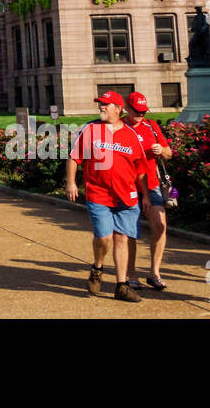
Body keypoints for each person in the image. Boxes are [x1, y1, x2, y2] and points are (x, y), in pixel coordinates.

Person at [65, 91, 151, 302]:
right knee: (104, 237)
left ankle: (121, 285)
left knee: (122, 238)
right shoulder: (91, 131)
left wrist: (146, 196)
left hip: (126, 196)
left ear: (118, 109)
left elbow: (141, 169)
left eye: (106, 104)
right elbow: (74, 158)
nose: (101, 107)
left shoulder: (131, 135)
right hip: (98, 193)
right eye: (100, 104)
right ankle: (98, 267)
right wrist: (71, 182)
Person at [121, 92, 172, 290]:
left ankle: (154, 273)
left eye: (143, 112)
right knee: (130, 231)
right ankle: (131, 274)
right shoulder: (119, 127)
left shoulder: (151, 126)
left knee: (160, 225)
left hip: (151, 183)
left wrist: (161, 150)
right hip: (127, 185)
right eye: (137, 112)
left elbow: (168, 153)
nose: (141, 115)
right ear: (127, 108)